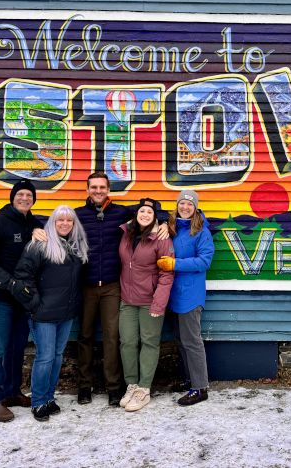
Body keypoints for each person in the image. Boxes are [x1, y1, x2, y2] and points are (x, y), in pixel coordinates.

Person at [71, 172, 168, 407]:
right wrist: (36, 230)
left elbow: (149, 210)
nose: (98, 191)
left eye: (102, 187)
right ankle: (84, 386)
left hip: (113, 286)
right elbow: (56, 225)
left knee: (113, 337)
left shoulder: (121, 213)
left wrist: (165, 222)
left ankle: (114, 387)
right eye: (94, 187)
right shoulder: (77, 214)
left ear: (108, 189)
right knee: (85, 336)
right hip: (86, 285)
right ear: (87, 189)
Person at [10, 205, 89, 422]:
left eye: (69, 220)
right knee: (45, 357)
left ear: (74, 224)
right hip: (43, 314)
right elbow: (23, 276)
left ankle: (49, 397)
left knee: (57, 356)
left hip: (66, 313)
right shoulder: (40, 245)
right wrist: (35, 304)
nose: (65, 224)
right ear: (52, 223)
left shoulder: (75, 247)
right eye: (60, 220)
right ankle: (38, 401)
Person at [0, 179, 43, 423]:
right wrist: (10, 283)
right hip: (0, 298)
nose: (25, 198)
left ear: (33, 200)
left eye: (29, 195)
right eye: (20, 194)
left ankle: (13, 391)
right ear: (12, 197)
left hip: (23, 301)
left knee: (17, 348)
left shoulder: (35, 225)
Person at [158, 190, 215, 406]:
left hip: (190, 294)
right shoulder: (173, 227)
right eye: (182, 203)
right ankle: (190, 379)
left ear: (195, 207)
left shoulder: (201, 232)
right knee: (181, 340)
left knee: (192, 341)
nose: (185, 207)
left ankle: (200, 388)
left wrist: (175, 264)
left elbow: (204, 261)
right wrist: (164, 224)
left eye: (190, 204)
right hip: (173, 293)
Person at [117, 198, 174, 412]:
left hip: (150, 301)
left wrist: (159, 303)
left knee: (149, 343)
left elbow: (166, 274)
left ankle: (144, 388)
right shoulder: (126, 233)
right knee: (127, 342)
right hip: (127, 300)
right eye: (142, 211)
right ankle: (132, 384)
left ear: (155, 217)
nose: (145, 215)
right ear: (136, 214)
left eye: (149, 212)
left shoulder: (161, 238)